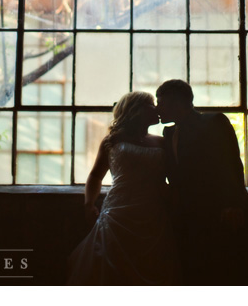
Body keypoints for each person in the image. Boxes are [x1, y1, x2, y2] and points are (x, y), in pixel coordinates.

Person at [67, 91, 178, 285]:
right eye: (151, 104)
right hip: (119, 211)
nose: (157, 109)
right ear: (136, 110)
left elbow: (172, 177)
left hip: (152, 212)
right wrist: (89, 204)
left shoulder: (162, 142)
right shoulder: (113, 140)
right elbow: (95, 175)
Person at [155, 79, 248, 285]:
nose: (157, 108)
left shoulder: (214, 122)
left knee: (217, 271)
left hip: (215, 212)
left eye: (160, 102)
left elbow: (231, 164)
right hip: (182, 216)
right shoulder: (169, 132)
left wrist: (232, 203)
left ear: (177, 103)